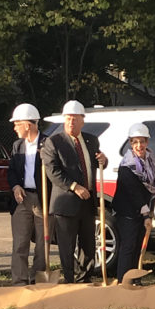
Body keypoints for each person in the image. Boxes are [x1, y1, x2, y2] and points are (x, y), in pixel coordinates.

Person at [42, 100, 107, 283]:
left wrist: (104, 160)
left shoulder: (91, 140)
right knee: (67, 245)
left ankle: (85, 277)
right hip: (66, 202)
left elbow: (97, 162)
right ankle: (69, 279)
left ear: (82, 121)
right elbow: (52, 171)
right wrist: (74, 186)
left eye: (75, 119)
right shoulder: (54, 142)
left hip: (87, 202)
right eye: (68, 119)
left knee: (88, 243)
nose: (71, 122)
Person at [7, 103, 48, 285]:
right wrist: (15, 186)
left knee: (42, 243)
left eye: (17, 124)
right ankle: (20, 280)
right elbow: (11, 171)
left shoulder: (48, 143)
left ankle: (38, 278)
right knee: (20, 242)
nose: (15, 128)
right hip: (22, 200)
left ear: (28, 125)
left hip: (43, 199)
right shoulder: (17, 146)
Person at [113, 123, 155, 283]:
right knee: (128, 246)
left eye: (142, 141)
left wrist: (149, 211)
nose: (139, 145)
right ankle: (123, 281)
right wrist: (146, 214)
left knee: (139, 246)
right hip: (128, 212)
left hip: (143, 210)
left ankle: (135, 279)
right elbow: (134, 194)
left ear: (147, 142)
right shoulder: (127, 166)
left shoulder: (151, 158)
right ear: (131, 143)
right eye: (135, 142)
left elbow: (152, 187)